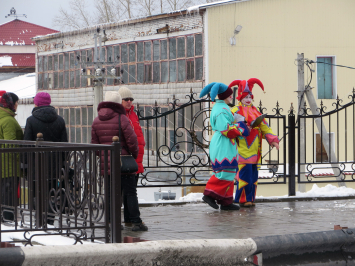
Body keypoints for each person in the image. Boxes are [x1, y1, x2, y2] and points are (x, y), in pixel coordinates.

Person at [91, 91, 148, 231]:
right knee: (130, 192)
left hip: (107, 164)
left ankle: (111, 222)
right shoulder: (121, 118)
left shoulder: (97, 120)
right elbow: (132, 140)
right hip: (123, 163)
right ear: (118, 103)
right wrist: (132, 155)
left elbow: (95, 145)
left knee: (111, 193)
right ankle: (136, 222)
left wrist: (104, 156)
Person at [229, 78, 280, 207]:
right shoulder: (234, 111)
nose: (248, 99)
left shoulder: (256, 111)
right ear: (240, 97)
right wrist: (242, 128)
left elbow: (265, 127)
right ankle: (241, 200)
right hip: (241, 149)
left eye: (250, 97)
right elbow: (229, 127)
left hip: (255, 151)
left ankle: (250, 199)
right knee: (244, 176)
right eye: (245, 97)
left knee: (253, 177)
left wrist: (273, 140)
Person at [200, 82, 250, 210]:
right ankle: (210, 194)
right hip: (223, 142)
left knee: (229, 170)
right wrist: (241, 127)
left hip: (225, 142)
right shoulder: (221, 109)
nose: (231, 97)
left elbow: (228, 125)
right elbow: (226, 129)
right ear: (225, 96)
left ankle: (226, 201)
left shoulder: (222, 107)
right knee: (224, 171)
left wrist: (237, 121)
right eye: (229, 95)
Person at [23, 92, 68, 225]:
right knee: (51, 193)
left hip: (36, 165)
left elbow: (27, 143)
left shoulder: (31, 120)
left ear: (37, 103)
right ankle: (49, 220)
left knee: (36, 193)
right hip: (54, 165)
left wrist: (25, 164)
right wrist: (62, 162)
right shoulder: (59, 120)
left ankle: (39, 220)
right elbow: (64, 144)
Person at [118, 86, 145, 226]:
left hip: (136, 158)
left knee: (131, 189)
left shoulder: (133, 114)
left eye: (131, 99)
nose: (129, 102)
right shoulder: (120, 116)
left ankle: (128, 219)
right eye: (126, 99)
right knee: (127, 191)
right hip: (127, 158)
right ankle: (132, 219)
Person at [0, 92, 23, 221]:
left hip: (4, 166)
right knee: (8, 199)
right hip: (8, 167)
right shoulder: (8, 120)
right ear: (11, 104)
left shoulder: (3, 117)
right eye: (16, 102)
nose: (17, 105)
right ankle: (8, 224)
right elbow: (10, 145)